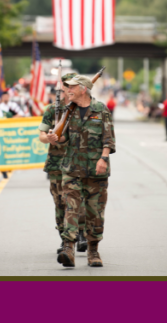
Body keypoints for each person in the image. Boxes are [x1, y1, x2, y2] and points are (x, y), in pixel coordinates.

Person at [55, 73, 115, 267]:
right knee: (71, 208)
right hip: (72, 169)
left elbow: (108, 138)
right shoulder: (68, 111)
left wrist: (103, 158)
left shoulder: (100, 109)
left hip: (96, 170)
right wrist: (54, 138)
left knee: (95, 212)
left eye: (71, 87)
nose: (68, 91)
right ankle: (68, 248)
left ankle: (93, 251)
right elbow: (63, 137)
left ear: (83, 89)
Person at [37, 75, 87, 257]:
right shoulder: (52, 110)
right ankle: (65, 239)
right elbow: (41, 135)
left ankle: (80, 234)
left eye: (72, 86)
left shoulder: (82, 108)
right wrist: (49, 137)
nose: (68, 90)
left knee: (76, 201)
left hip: (77, 162)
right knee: (60, 203)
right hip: (57, 164)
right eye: (66, 87)